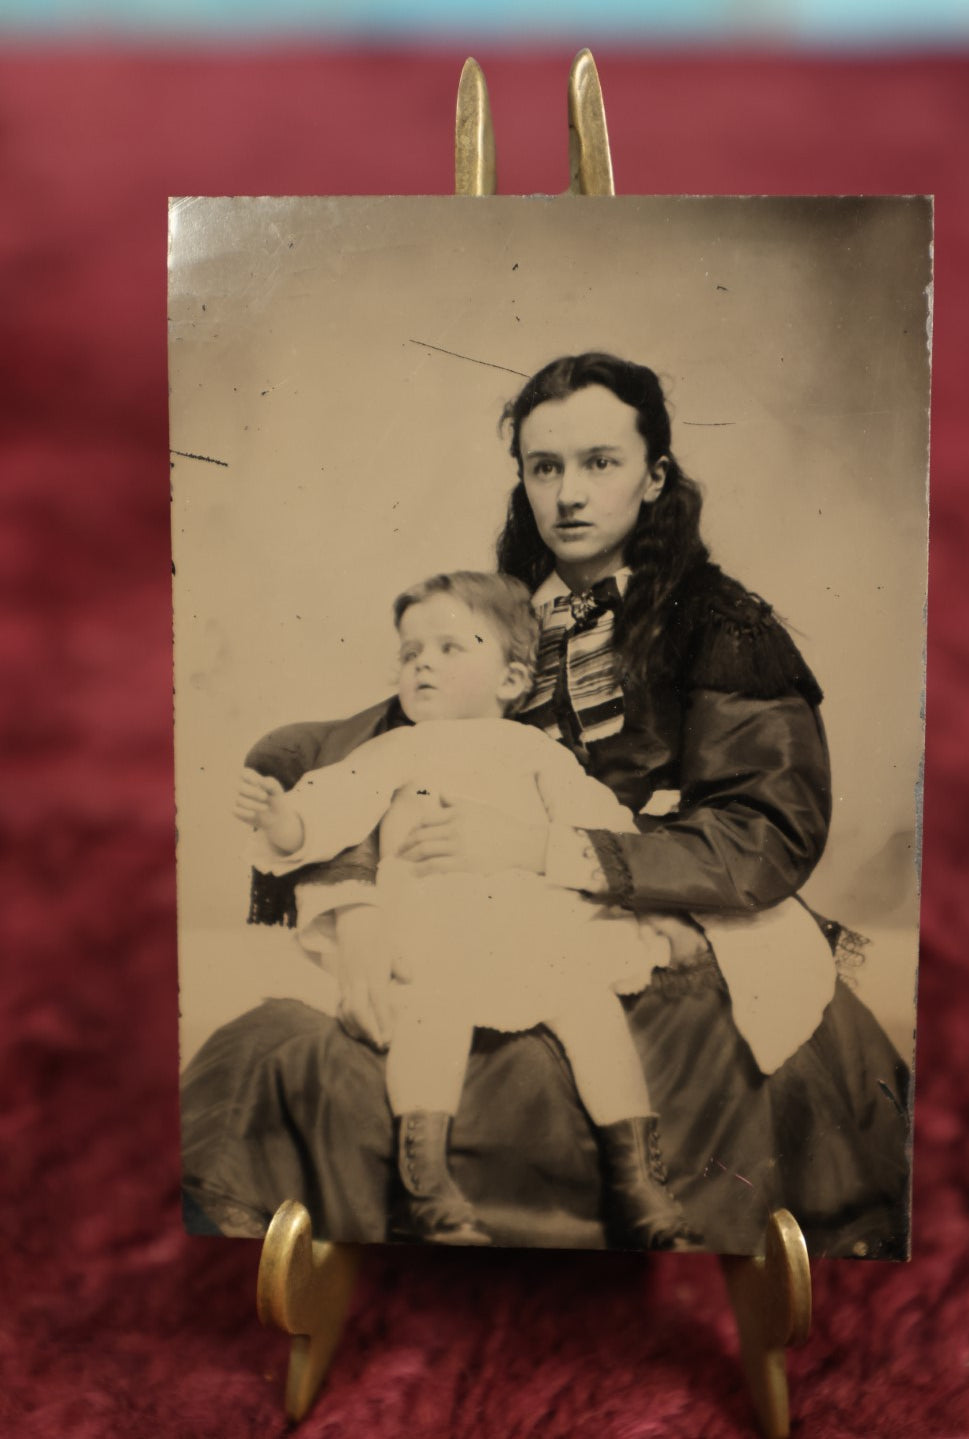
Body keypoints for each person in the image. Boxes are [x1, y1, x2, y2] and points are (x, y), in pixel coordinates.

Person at [181, 352, 910, 1259]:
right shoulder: (502, 619)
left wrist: (546, 848)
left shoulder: (723, 625)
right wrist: (352, 905)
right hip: (465, 893)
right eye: (544, 466)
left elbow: (764, 832)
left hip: (674, 901)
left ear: (653, 477)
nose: (568, 493)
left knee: (560, 1048)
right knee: (270, 1043)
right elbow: (368, 753)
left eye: (599, 463)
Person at [235, 570, 701, 1250]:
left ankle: (639, 1181)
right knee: (430, 1012)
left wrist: (646, 896)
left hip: (532, 926)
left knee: (594, 1010)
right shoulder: (393, 749)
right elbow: (329, 807)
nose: (422, 661)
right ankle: (425, 1187)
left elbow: (602, 829)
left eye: (451, 647)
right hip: (434, 925)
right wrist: (285, 821)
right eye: (410, 650)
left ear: (512, 680)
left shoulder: (538, 752)